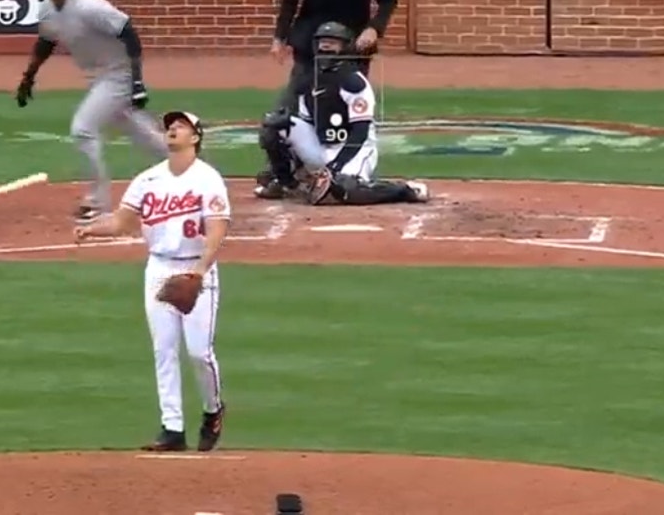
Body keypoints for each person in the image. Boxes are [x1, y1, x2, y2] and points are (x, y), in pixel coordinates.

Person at [73, 110, 229, 452]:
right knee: (164, 350)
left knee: (199, 353)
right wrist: (91, 228)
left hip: (195, 268)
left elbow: (218, 228)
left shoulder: (208, 179)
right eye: (169, 126)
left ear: (196, 137)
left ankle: (213, 409)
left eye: (181, 126)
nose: (172, 129)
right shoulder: (148, 180)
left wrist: (200, 271)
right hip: (159, 268)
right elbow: (121, 223)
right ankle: (171, 428)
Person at [15, 0, 170, 223]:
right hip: (97, 76)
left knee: (83, 128)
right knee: (139, 130)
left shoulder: (90, 7)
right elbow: (46, 42)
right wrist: (28, 76)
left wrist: (136, 81)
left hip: (117, 74)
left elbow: (129, 33)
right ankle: (192, 168)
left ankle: (97, 202)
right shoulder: (48, 10)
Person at [255, 22, 428, 205]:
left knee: (349, 190)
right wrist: (297, 161)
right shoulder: (308, 80)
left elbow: (360, 131)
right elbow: (306, 124)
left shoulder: (353, 82)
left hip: (354, 149)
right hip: (321, 146)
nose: (325, 46)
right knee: (274, 125)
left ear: (345, 47)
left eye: (332, 42)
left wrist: (336, 166)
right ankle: (285, 183)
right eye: (322, 42)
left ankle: (405, 190)